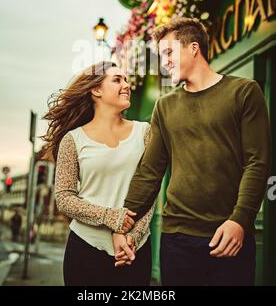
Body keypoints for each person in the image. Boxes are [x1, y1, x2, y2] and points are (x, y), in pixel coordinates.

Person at [113, 18, 271, 286]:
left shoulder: (243, 92)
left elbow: (257, 162)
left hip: (229, 235)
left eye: (169, 53)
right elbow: (150, 172)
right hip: (177, 239)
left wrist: (240, 220)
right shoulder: (165, 106)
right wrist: (123, 224)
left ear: (193, 47)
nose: (165, 63)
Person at [41, 61, 154, 286]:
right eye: (117, 79)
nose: (126, 85)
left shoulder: (145, 132)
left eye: (126, 79)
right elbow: (64, 198)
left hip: (134, 251)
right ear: (96, 90)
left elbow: (152, 188)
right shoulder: (73, 140)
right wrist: (111, 217)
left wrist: (133, 236)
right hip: (85, 248)